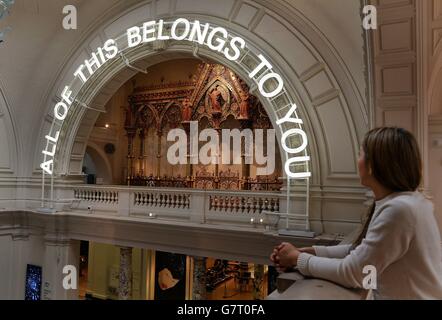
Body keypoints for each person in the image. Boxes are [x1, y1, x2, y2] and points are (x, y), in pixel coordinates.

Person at [271, 127, 442, 299]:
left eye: (360, 154)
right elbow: (361, 251)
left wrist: (297, 259)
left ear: (373, 165)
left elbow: (354, 273)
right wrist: (308, 252)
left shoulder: (399, 211)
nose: (357, 160)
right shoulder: (411, 203)